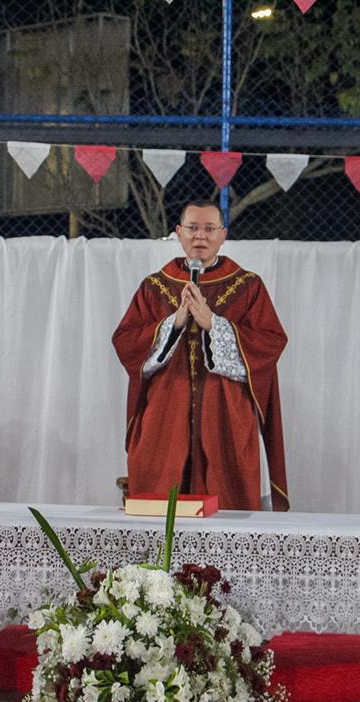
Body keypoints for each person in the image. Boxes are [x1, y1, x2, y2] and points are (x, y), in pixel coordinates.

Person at [112, 201, 289, 511]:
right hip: (164, 417)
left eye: (209, 229)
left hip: (225, 417)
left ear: (223, 235)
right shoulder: (155, 286)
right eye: (193, 228)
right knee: (159, 514)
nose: (200, 237)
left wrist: (214, 325)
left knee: (227, 513)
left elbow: (271, 343)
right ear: (179, 233)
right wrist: (173, 323)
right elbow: (125, 342)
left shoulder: (247, 286)